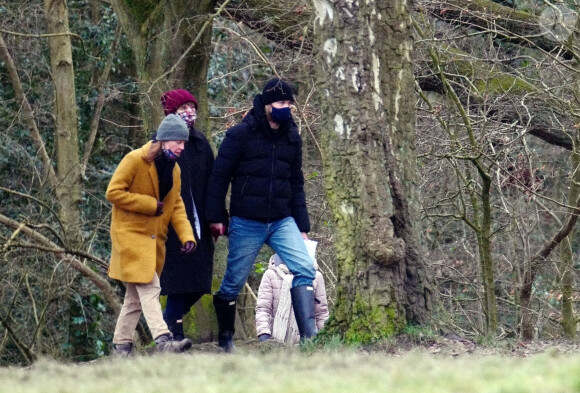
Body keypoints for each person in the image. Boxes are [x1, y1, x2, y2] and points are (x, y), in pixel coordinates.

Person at [206, 77, 317, 352]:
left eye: (289, 103)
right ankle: (226, 338)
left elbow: (297, 183)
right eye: (281, 103)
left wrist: (302, 226)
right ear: (267, 104)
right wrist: (216, 217)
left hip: (282, 220)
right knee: (233, 281)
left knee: (304, 267)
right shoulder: (240, 135)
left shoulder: (293, 138)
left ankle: (309, 341)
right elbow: (219, 178)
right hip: (246, 221)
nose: (286, 108)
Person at [107, 114, 197, 356]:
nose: (182, 147)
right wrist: (148, 204)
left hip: (154, 240)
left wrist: (187, 235)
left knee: (134, 299)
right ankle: (163, 339)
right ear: (164, 140)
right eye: (179, 142)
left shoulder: (175, 169)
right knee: (150, 286)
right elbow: (113, 192)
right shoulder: (134, 159)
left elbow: (175, 203)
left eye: (184, 142)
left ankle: (121, 346)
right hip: (129, 236)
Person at [158, 89, 225, 341]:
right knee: (177, 283)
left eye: (191, 106)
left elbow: (213, 182)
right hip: (172, 224)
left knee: (200, 283)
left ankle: (167, 325)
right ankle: (173, 334)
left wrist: (218, 218)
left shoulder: (200, 144)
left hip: (201, 223)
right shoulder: (160, 146)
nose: (189, 111)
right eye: (182, 107)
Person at [255, 250, 329, 344]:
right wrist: (264, 335)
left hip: (308, 343)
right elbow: (263, 309)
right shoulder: (270, 275)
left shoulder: (316, 276)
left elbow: (321, 313)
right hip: (276, 342)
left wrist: (324, 339)